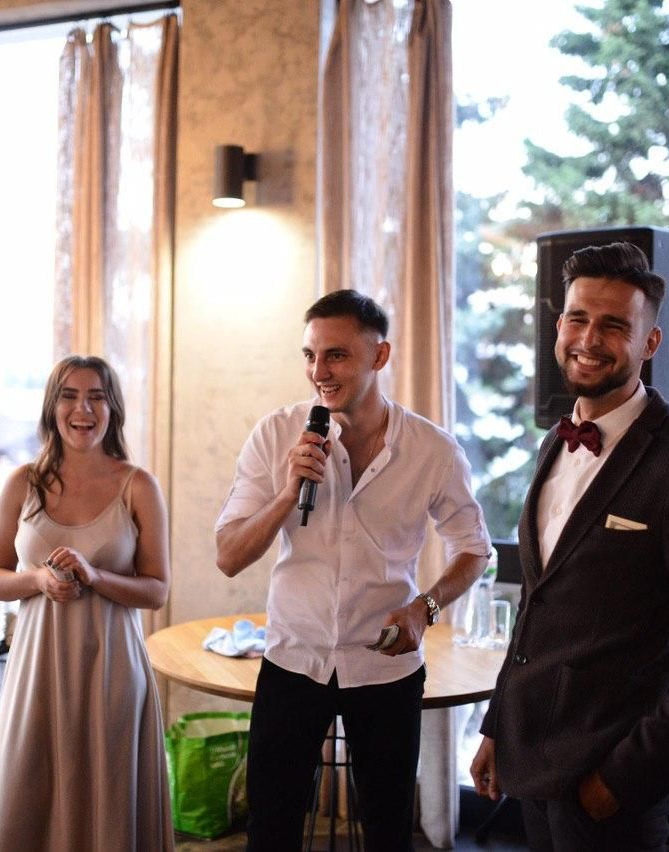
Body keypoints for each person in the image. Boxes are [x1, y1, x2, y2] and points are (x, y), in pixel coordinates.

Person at [470, 242, 669, 850]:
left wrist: (619, 781)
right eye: (578, 319)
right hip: (532, 771)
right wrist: (498, 726)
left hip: (608, 796)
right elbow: (538, 608)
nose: (589, 339)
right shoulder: (554, 444)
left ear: (650, 343)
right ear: (558, 326)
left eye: (613, 326)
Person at [216, 290, 492, 851]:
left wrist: (424, 609)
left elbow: (474, 549)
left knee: (389, 833)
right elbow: (228, 555)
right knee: (270, 833)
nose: (319, 372)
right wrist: (287, 492)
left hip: (386, 667)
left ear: (379, 356)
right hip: (293, 659)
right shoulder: (276, 434)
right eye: (310, 355)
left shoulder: (433, 450)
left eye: (336, 355)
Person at [0, 355, 173, 852]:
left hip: (111, 669)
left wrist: (96, 575)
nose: (82, 409)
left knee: (108, 807)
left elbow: (157, 590)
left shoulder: (138, 486)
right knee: (19, 807)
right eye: (69, 396)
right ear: (52, 407)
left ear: (112, 410)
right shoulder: (22, 483)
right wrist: (37, 579)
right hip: (37, 668)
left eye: (96, 397)